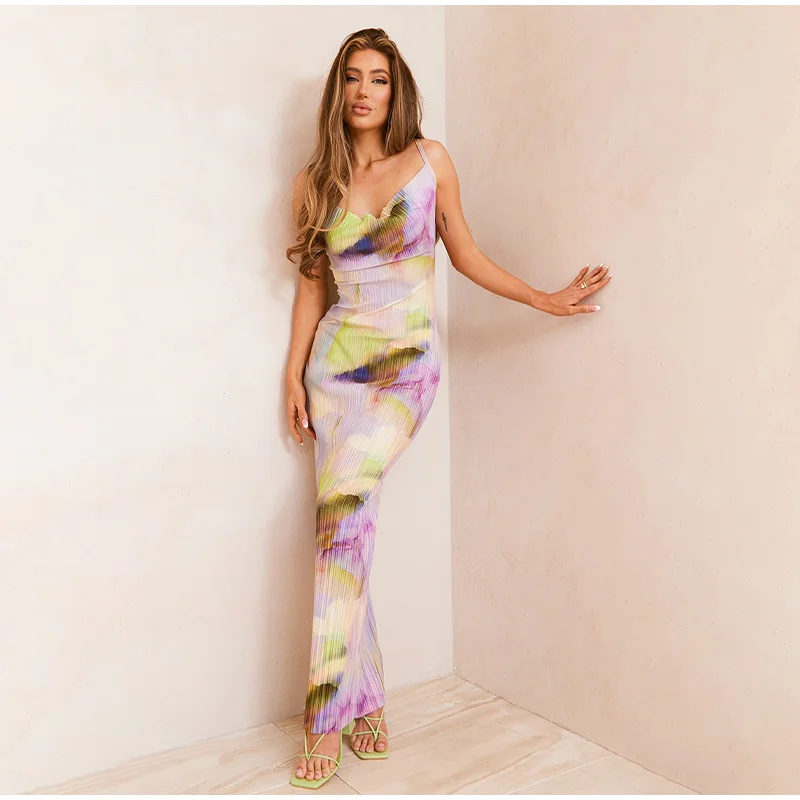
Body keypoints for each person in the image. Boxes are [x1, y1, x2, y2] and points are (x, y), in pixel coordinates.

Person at [284, 27, 611, 790]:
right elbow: (311, 285)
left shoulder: (430, 162)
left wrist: (543, 297)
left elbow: (464, 254)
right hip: (334, 368)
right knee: (343, 525)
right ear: (339, 90)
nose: (365, 91)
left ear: (396, 90)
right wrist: (294, 376)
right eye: (354, 77)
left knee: (341, 513)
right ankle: (365, 697)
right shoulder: (313, 182)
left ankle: (322, 716)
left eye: (380, 79)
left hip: (404, 369)